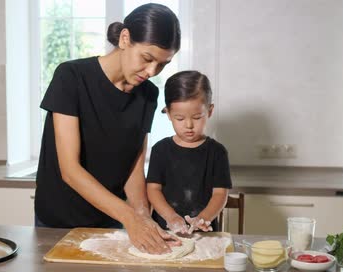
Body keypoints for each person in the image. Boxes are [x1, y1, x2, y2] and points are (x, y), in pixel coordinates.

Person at [34, 3, 181, 254]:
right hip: (58, 223)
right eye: (147, 58)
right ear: (125, 39)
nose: (152, 71)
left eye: (162, 64)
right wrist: (131, 217)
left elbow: (134, 164)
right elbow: (69, 170)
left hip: (110, 221)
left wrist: (142, 214)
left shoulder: (148, 94)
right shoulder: (71, 77)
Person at [146, 70, 232, 234]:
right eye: (180, 118)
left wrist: (203, 218)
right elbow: (153, 190)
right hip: (166, 231)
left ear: (210, 111)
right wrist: (171, 217)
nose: (189, 125)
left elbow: (220, 194)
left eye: (197, 117)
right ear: (169, 114)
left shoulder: (217, 152)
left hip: (204, 234)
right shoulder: (160, 150)